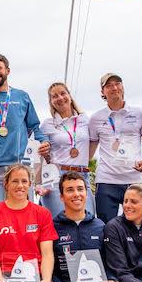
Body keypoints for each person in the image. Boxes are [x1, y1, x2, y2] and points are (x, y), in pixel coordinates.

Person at [0, 54, 49, 208]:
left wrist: (44, 141)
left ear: (7, 71)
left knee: (22, 212)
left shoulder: (22, 96)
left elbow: (34, 126)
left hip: (19, 164)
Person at [88, 74, 142, 224]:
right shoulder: (95, 118)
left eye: (117, 83)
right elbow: (88, 153)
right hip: (106, 181)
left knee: (140, 229)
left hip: (134, 181)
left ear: (122, 87)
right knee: (106, 230)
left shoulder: (140, 114)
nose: (114, 88)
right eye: (109, 86)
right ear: (102, 92)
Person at [39, 83, 94, 217]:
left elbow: (94, 143)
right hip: (56, 177)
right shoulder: (47, 124)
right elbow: (39, 156)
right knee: (59, 223)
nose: (60, 98)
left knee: (88, 220)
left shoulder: (85, 120)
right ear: (51, 102)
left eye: (63, 93)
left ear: (70, 96)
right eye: (54, 96)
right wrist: (39, 183)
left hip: (82, 176)